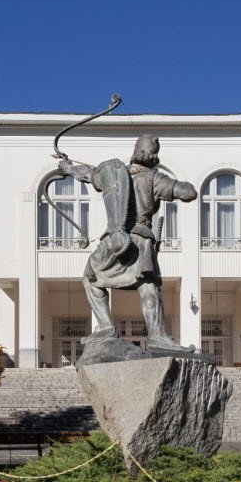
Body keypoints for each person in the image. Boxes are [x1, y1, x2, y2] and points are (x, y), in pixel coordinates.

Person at [57, 133, 198, 351]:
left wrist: (67, 168)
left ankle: (106, 326)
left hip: (116, 239)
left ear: (136, 152)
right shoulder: (154, 178)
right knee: (148, 287)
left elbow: (86, 173)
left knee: (91, 279)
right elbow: (189, 193)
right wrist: (178, 184)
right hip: (141, 239)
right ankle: (157, 336)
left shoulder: (115, 174)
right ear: (153, 157)